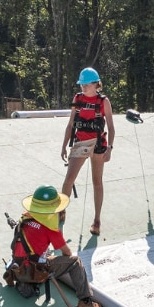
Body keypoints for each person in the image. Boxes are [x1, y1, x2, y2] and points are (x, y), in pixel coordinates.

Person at [11, 186, 102, 307]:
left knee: (40, 253)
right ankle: (85, 302)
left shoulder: (24, 219)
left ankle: (26, 282)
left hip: (17, 268)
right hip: (33, 270)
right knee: (75, 261)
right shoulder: (51, 229)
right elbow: (67, 253)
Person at [60, 68, 115, 237]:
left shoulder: (103, 101)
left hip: (98, 144)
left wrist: (110, 148)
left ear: (96, 84)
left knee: (97, 181)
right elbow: (71, 124)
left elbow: (111, 127)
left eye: (87, 84)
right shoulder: (78, 98)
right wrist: (64, 146)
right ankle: (61, 210)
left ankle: (97, 220)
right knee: (69, 179)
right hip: (81, 142)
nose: (83, 87)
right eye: (82, 84)